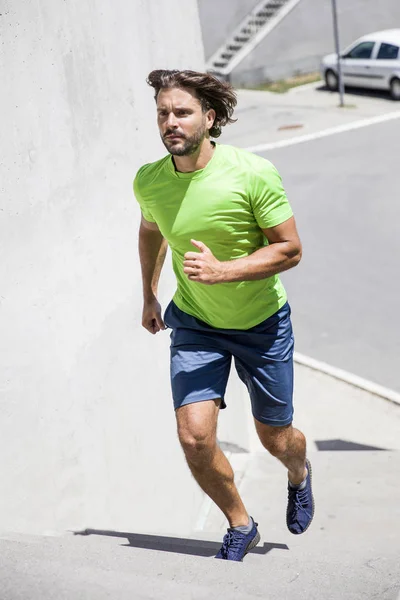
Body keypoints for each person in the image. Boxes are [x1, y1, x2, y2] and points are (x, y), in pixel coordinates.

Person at [134, 69, 314, 562]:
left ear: (209, 118)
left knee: (277, 439)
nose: (170, 122)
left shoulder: (252, 173)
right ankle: (241, 523)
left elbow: (290, 250)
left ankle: (299, 475)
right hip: (195, 323)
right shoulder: (150, 180)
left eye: (182, 112)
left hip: (262, 324)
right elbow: (152, 230)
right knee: (194, 438)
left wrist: (225, 271)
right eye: (162, 113)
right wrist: (149, 294)